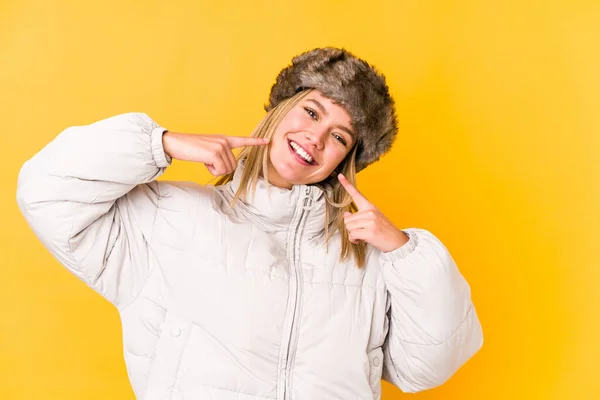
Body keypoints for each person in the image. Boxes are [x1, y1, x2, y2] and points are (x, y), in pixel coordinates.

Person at [16, 47, 483, 399]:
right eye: (311, 111)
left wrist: (405, 252)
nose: (314, 139)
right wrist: (161, 145)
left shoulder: (366, 256)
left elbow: (427, 367)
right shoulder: (169, 217)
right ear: (282, 110)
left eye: (338, 136)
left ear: (347, 159)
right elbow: (46, 192)